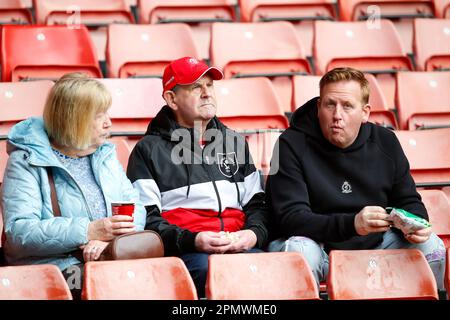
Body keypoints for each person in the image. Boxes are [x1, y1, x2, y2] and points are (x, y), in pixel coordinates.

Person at [266, 67, 446, 290]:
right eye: (329, 104)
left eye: (347, 106)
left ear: (365, 112)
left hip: (378, 245)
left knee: (432, 246)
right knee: (298, 251)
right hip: (320, 249)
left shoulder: (385, 142)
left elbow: (409, 201)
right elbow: (290, 218)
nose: (337, 115)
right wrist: (353, 224)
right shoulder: (290, 144)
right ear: (319, 105)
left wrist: (415, 223)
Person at [126, 56, 269, 297]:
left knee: (272, 270)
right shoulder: (147, 151)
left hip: (239, 247)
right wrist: (194, 240)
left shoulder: (235, 143)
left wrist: (252, 234)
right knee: (216, 273)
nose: (206, 93)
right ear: (171, 99)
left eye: (210, 85)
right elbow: (146, 221)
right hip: (187, 252)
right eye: (195, 87)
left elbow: (258, 205)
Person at [1, 73, 146, 299]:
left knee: (153, 280)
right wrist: (87, 231)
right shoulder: (27, 160)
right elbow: (19, 232)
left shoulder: (104, 154)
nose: (109, 122)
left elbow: (136, 207)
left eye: (107, 113)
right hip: (53, 268)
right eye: (99, 116)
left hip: (108, 258)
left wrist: (107, 240)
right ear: (72, 120)